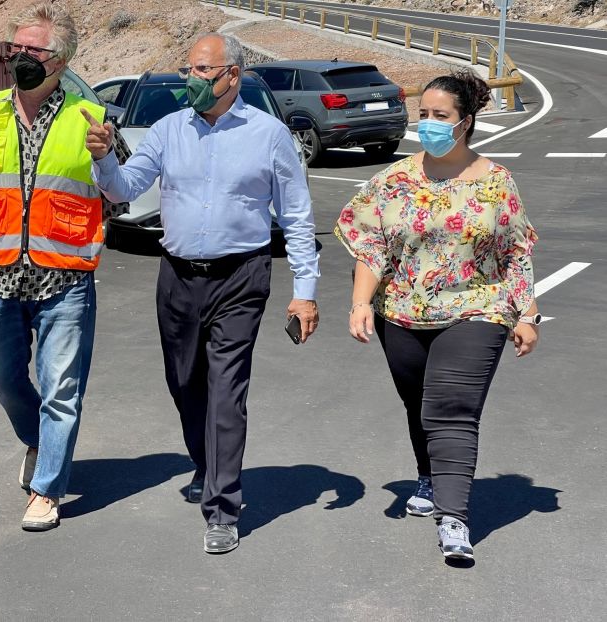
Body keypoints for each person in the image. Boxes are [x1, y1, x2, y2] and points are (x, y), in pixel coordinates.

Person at [83, 33, 320, 554]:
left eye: (203, 71)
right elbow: (124, 188)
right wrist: (103, 159)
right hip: (178, 277)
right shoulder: (168, 130)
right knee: (185, 381)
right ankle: (206, 463)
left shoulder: (269, 135)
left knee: (226, 390)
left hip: (242, 277)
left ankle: (223, 508)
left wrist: (304, 292)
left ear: (233, 75)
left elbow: (298, 218)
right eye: (189, 68)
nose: (191, 79)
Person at [335, 70, 539, 561]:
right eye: (423, 114)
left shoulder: (496, 182)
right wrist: (361, 303)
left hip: (478, 306)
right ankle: (428, 474)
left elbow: (516, 252)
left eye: (439, 115)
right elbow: (371, 247)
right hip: (402, 309)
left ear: (464, 122)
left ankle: (454, 519)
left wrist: (527, 314)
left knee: (451, 409)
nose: (427, 123)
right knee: (420, 405)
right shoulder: (394, 181)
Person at [0, 2, 126, 531]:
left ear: (60, 61)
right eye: (15, 48)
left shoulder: (90, 119)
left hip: (65, 281)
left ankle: (47, 490)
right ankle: (39, 441)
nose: (19, 56)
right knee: (2, 380)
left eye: (32, 50)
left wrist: (106, 155)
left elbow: (121, 196)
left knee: (62, 390)